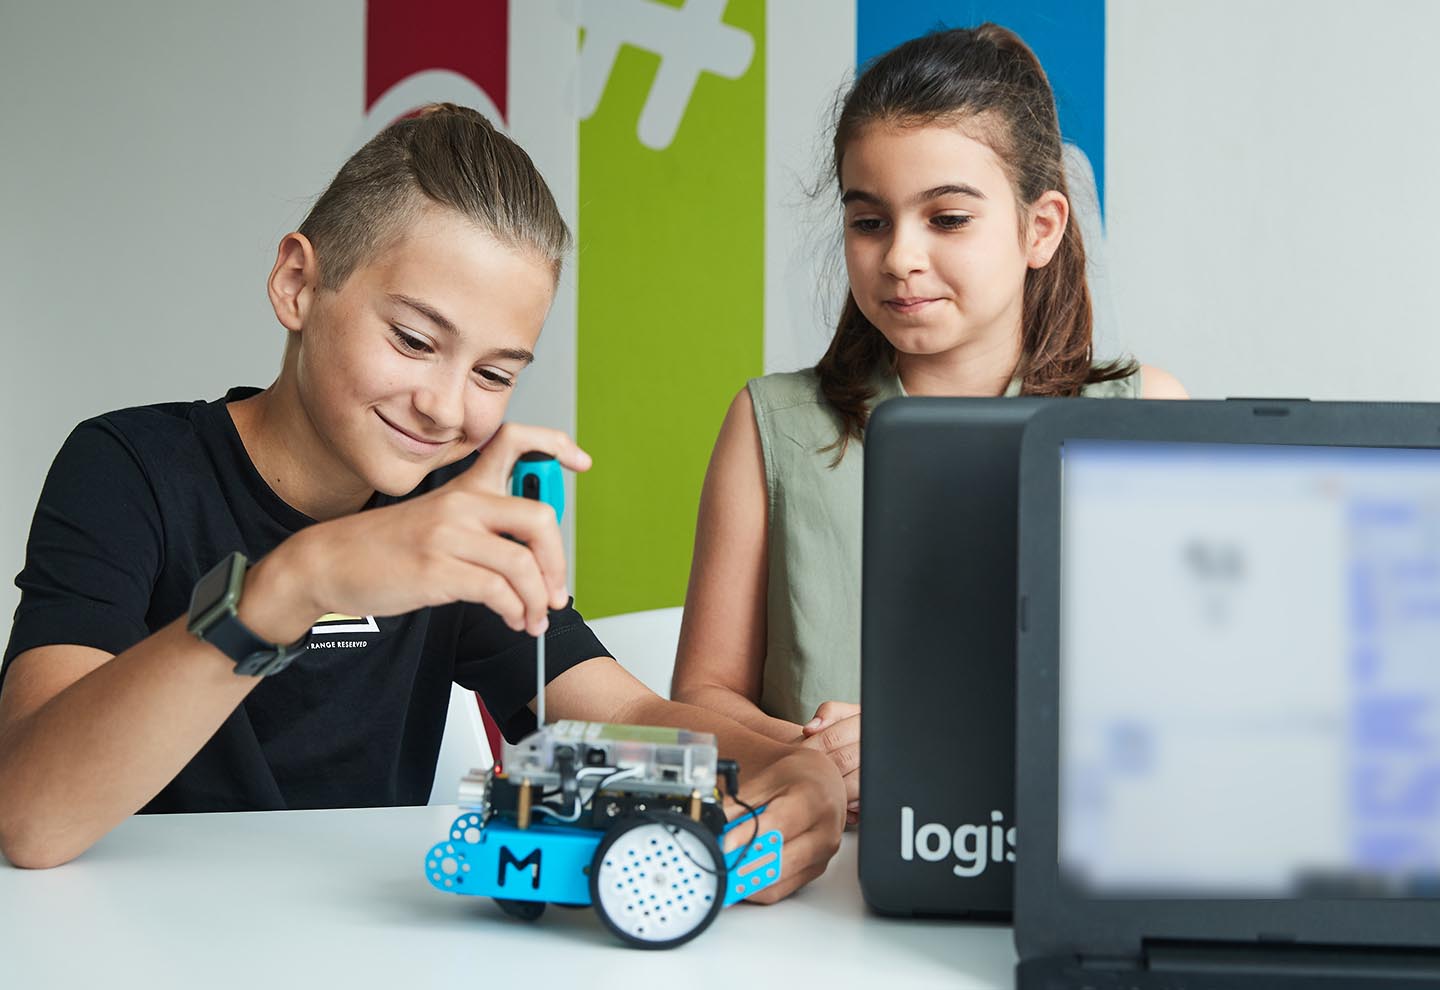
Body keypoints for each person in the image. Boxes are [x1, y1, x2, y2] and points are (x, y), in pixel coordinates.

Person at [0, 104, 845, 891]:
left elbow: (617, 710)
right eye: (413, 340)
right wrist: (300, 581)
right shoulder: (129, 468)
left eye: (493, 374)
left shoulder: (454, 512)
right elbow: (31, 816)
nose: (444, 407)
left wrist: (787, 762)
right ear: (297, 282)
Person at [671, 25, 1188, 823]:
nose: (900, 256)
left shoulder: (1147, 417)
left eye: (946, 218)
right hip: (820, 885)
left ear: (1040, 228)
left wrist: (919, 741)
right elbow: (702, 697)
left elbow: (1177, 707)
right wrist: (809, 760)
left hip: (1053, 872)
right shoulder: (769, 424)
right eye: (869, 221)